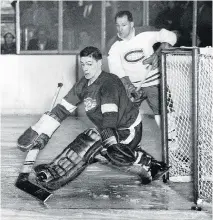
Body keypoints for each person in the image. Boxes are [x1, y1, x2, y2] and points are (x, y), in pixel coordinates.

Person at [17, 46, 169, 191]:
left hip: (127, 130)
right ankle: (150, 165)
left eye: (89, 64)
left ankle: (55, 175)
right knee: (95, 147)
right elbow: (63, 109)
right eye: (83, 64)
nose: (86, 68)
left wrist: (110, 142)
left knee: (92, 142)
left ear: (99, 63)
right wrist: (43, 128)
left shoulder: (109, 82)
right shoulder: (83, 84)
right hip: (109, 128)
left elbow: (109, 117)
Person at [108, 11, 177, 130]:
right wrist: (130, 88)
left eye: (124, 25)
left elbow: (172, 36)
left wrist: (159, 53)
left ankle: (172, 146)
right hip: (132, 86)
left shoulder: (145, 33)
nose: (120, 29)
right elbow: (117, 70)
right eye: (117, 25)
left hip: (154, 83)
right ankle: (127, 145)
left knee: (165, 116)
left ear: (132, 24)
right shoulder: (113, 44)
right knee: (123, 119)